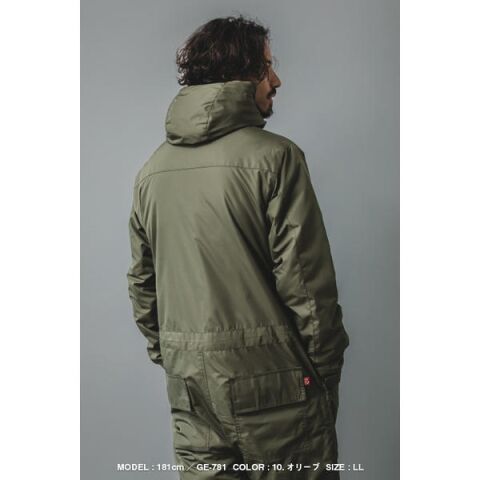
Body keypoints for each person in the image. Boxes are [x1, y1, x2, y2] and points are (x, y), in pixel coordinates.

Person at [127, 15, 349, 479]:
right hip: (277, 387)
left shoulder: (152, 171)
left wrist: (179, 360)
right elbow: (306, 286)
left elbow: (143, 286)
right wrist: (322, 374)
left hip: (191, 388)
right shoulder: (276, 158)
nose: (276, 80)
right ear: (241, 74)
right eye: (267, 67)